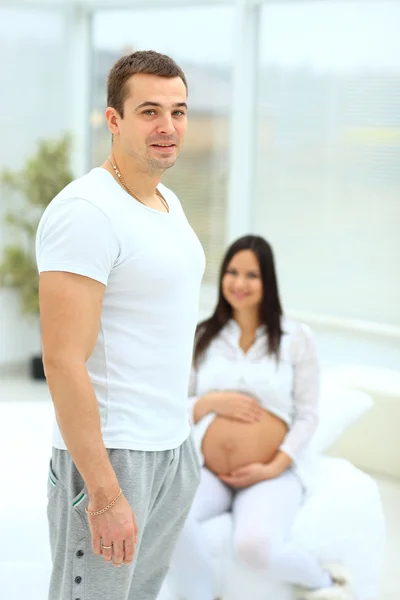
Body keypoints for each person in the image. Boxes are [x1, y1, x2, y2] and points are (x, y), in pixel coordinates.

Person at [35, 50, 205, 600]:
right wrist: (105, 494)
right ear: (114, 119)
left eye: (178, 112)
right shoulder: (86, 212)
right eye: (149, 111)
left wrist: (183, 451)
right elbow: (62, 360)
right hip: (113, 456)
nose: (168, 127)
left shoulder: (165, 201)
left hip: (170, 446)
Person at [166, 235, 353, 600]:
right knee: (167, 518)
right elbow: (175, 403)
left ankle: (326, 582)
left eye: (251, 275)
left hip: (270, 474)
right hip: (208, 469)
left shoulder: (295, 338)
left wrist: (273, 466)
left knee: (254, 548)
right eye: (232, 272)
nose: (239, 283)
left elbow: (308, 416)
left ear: (267, 281)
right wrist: (210, 402)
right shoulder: (203, 336)